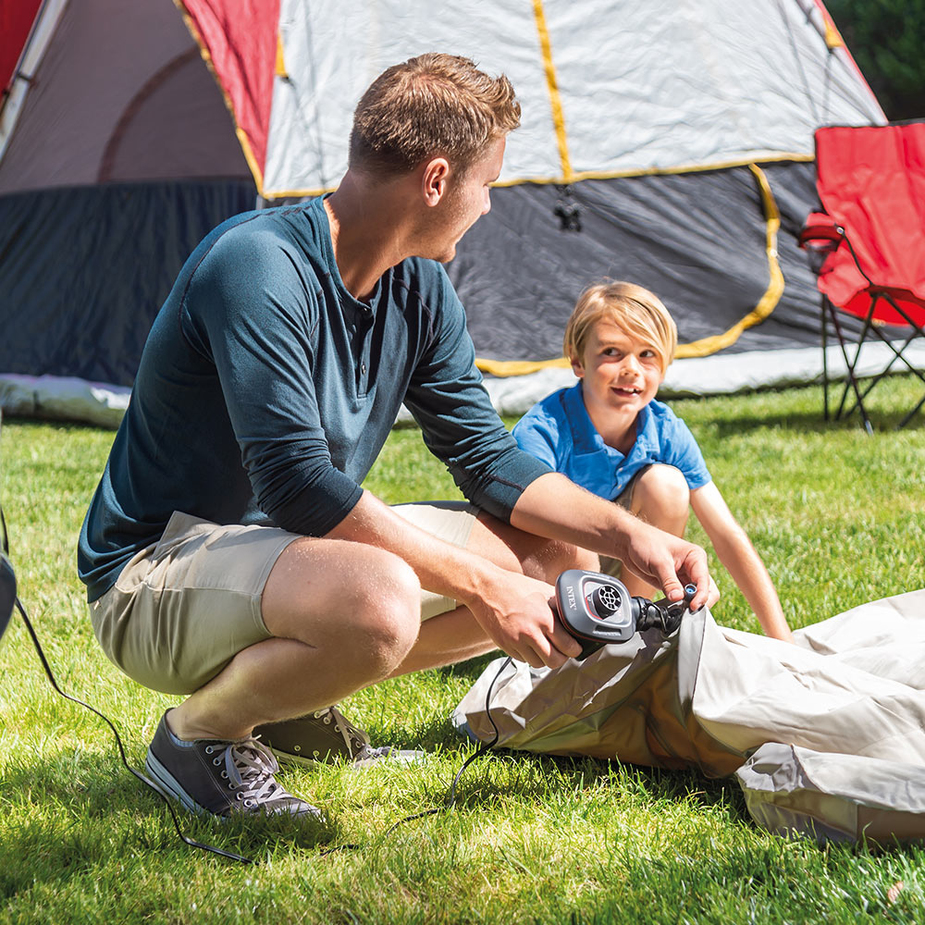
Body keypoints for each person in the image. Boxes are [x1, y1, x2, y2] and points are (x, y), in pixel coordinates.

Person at [78, 55, 717, 821]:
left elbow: (485, 455)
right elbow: (295, 482)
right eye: (487, 184)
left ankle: (286, 700)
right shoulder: (258, 265)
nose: (488, 206)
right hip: (153, 576)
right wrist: (483, 586)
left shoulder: (419, 286)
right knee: (380, 600)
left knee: (556, 559)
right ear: (438, 179)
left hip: (288, 559)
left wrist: (630, 533)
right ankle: (198, 733)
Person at [513, 280, 793, 643]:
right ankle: (581, 630)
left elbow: (727, 535)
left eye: (648, 355)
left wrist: (783, 641)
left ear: (665, 365)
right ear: (578, 359)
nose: (632, 369)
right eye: (613, 351)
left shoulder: (664, 429)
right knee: (568, 518)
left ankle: (623, 629)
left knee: (667, 485)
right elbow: (519, 529)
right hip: (551, 572)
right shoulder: (544, 431)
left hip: (620, 559)